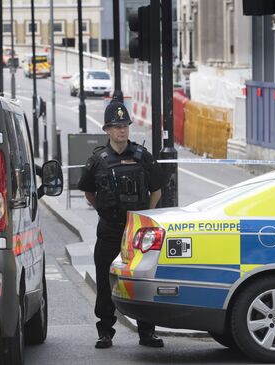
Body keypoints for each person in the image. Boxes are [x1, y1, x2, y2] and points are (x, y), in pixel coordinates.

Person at [78, 100, 165, 349]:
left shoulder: (142, 156)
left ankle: (147, 332)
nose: (121, 130)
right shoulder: (98, 159)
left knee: (142, 280)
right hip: (110, 229)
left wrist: (144, 216)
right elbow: (89, 191)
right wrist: (104, 212)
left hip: (138, 232)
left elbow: (156, 189)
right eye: (116, 126)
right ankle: (105, 331)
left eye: (125, 125)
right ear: (107, 129)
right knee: (106, 281)